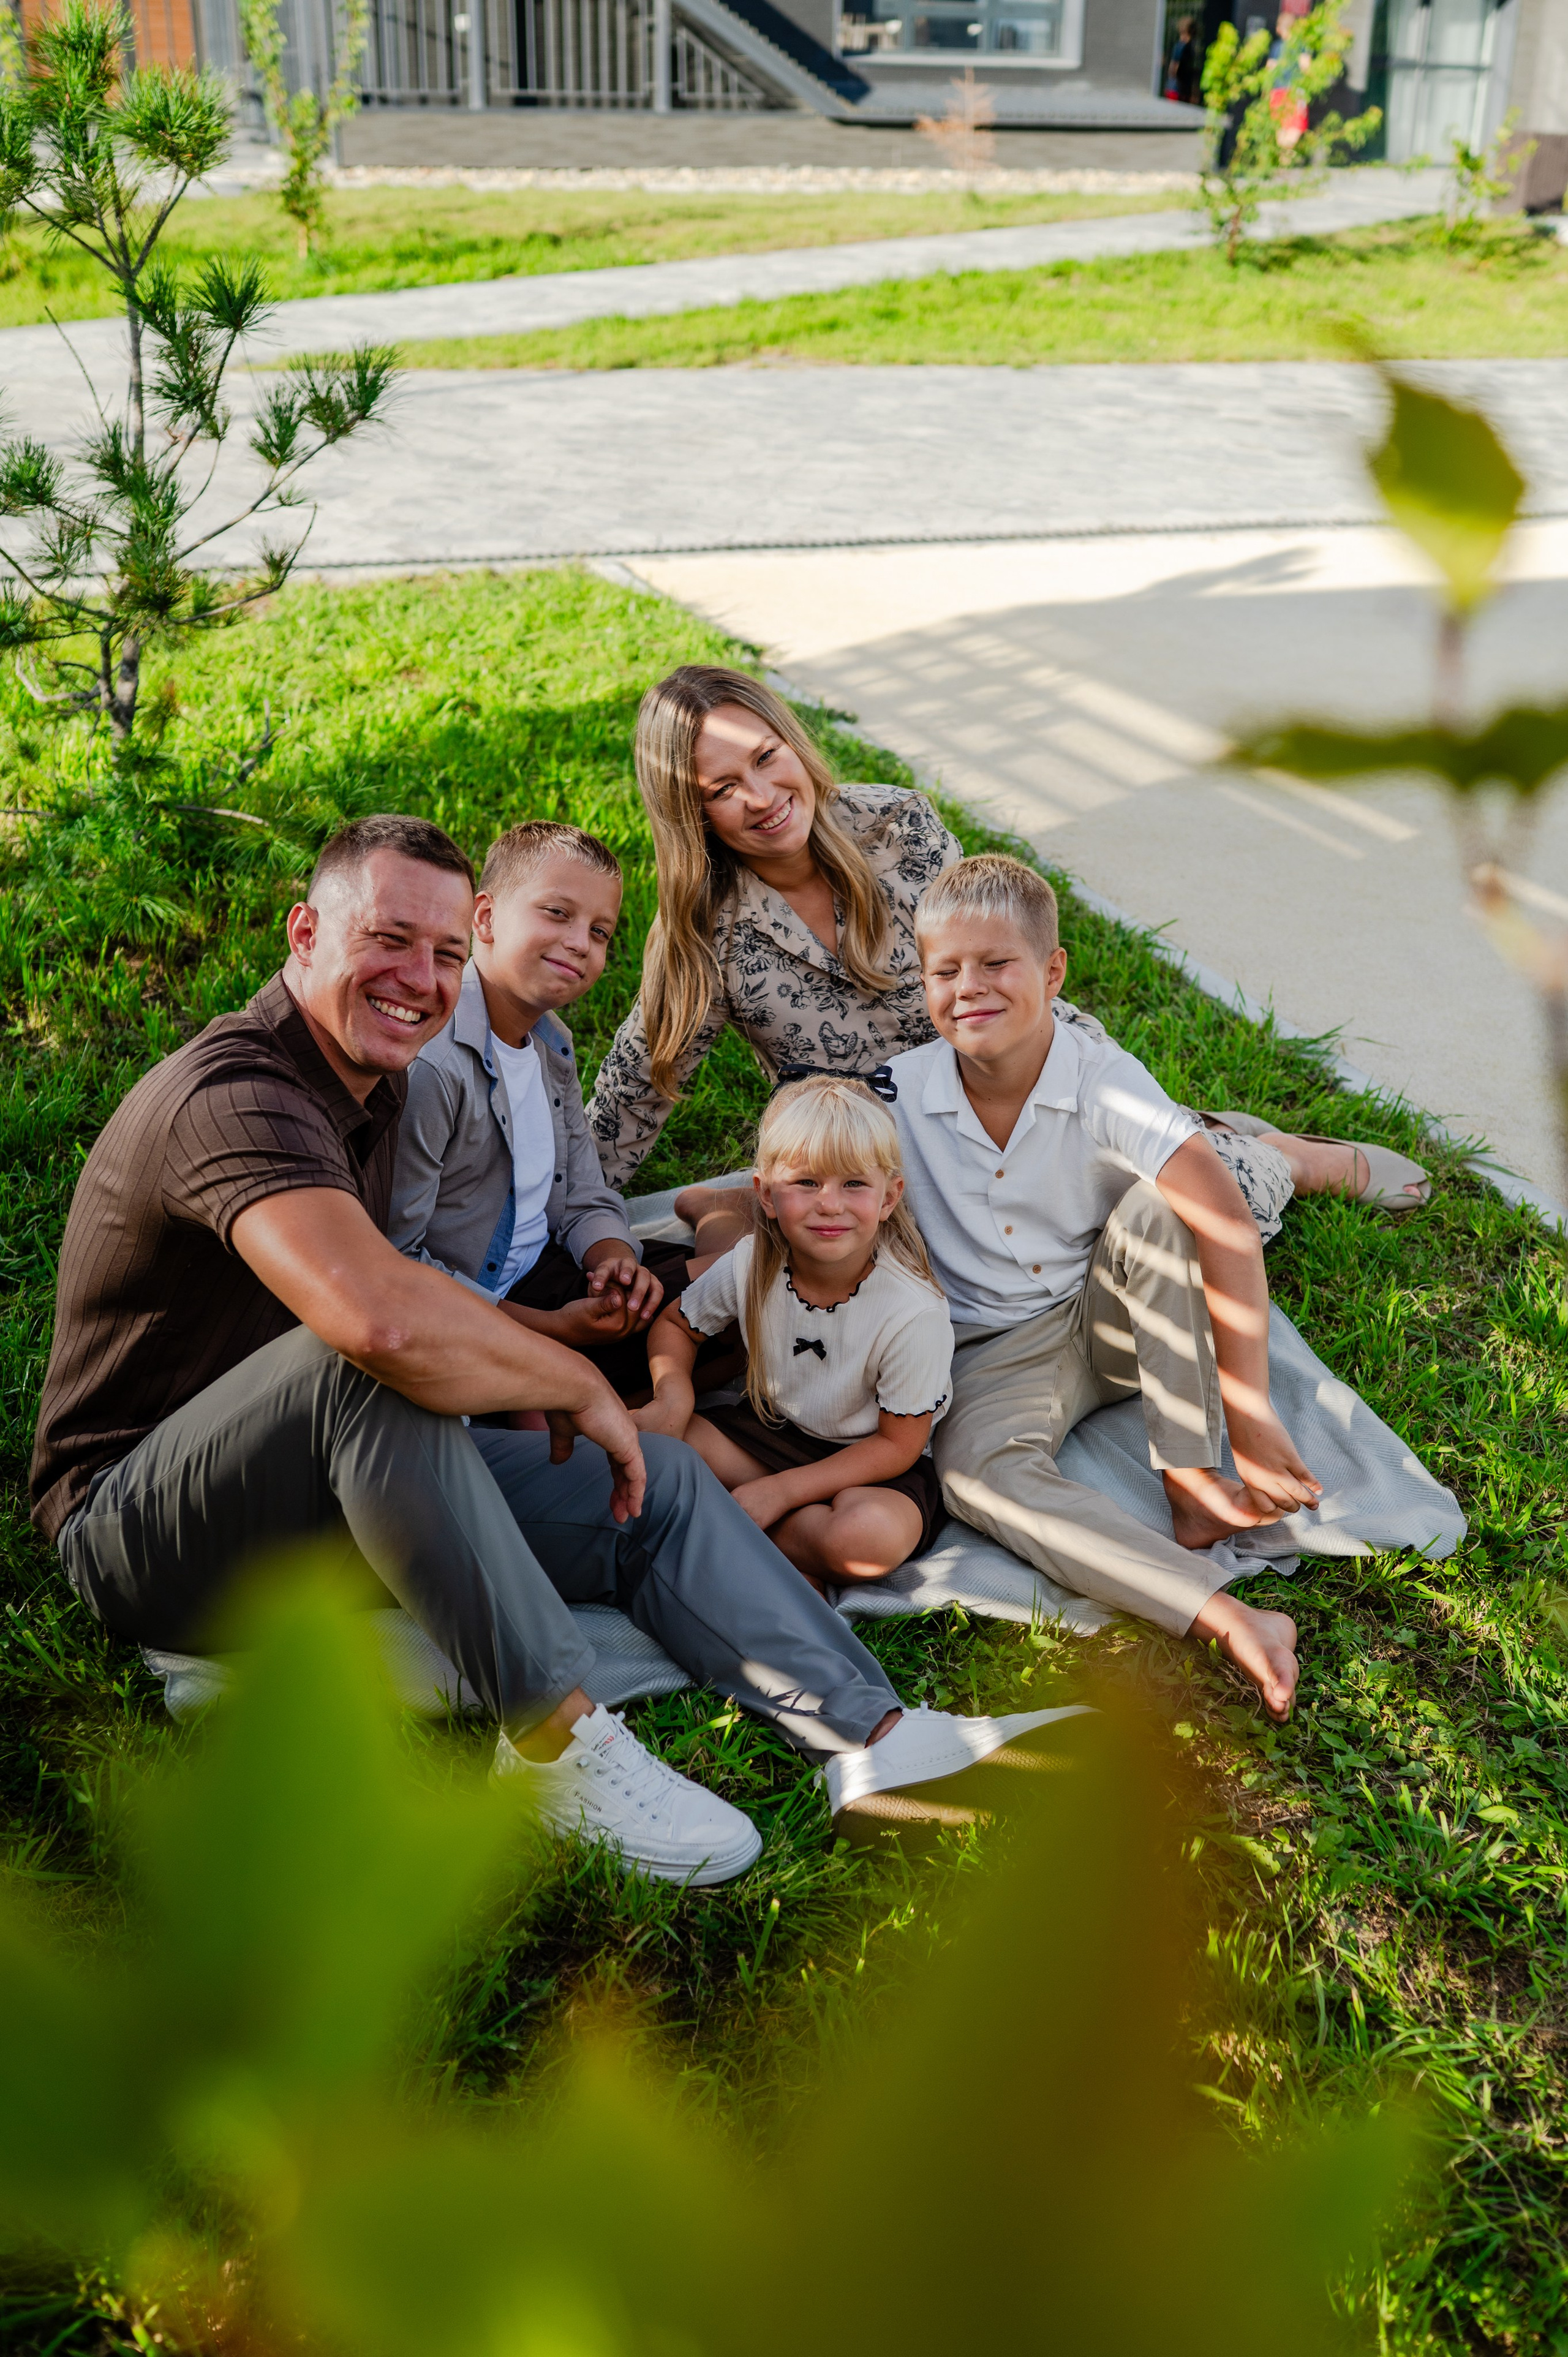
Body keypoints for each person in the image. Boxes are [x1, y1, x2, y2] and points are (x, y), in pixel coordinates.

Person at [29, 812, 1075, 1874]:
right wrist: (572, 1377)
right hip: (150, 1530)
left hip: (338, 1496)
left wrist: (591, 1359)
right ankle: (555, 1746)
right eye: (389, 938)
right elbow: (382, 1318)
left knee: (657, 1477)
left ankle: (877, 1738)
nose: (422, 979)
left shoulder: (382, 1082)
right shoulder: (237, 1095)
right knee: (364, 1365)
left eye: (445, 954)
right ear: (305, 932)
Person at [584, 666, 1420, 1259]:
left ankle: (1276, 1156)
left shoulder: (896, 826)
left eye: (767, 759)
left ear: (794, 746)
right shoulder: (701, 931)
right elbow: (636, 1085)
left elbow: (992, 957)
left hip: (1016, 1079)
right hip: (887, 1161)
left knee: (1183, 1218)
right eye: (721, 789)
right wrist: (569, 1211)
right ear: (690, 812)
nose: (761, 798)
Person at [888, 853, 1322, 1725]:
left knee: (1181, 1202)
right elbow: (791, 1183)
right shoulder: (897, 1094)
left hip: (1111, 1307)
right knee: (973, 1473)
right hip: (995, 1353)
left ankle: (1192, 1479)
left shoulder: (1098, 1075)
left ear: (1053, 973)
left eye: (996, 964)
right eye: (945, 971)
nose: (968, 987)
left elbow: (1224, 1224)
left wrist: (1251, 1413)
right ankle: (1225, 1610)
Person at [388, 820, 705, 1405]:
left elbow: (583, 1193)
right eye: (557, 913)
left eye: (601, 931)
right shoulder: (437, 1066)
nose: (582, 942)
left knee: (753, 1285)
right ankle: (560, 1406)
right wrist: (550, 1331)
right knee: (730, 1310)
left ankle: (602, 1394)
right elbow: (399, 1263)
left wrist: (613, 1260)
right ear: (482, 919)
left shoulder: (550, 1044)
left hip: (555, 1276)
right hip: (483, 1313)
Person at [637, 1077, 951, 1593]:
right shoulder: (752, 1264)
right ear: (765, 1195)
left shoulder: (913, 1311)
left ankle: (739, 1525)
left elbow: (898, 1445)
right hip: (769, 1436)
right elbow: (676, 1324)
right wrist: (673, 1398)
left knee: (864, 1543)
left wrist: (781, 1492)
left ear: (890, 1197)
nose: (830, 1204)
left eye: (854, 1184)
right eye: (807, 1183)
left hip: (874, 1462)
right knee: (647, 1448)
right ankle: (781, 1545)